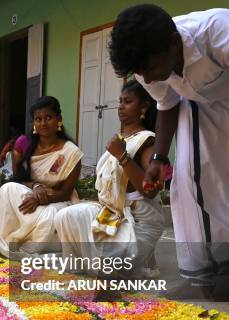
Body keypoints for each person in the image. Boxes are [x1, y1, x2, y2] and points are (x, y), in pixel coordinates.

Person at [109, 5, 229, 291]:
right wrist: (159, 157)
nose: (149, 80)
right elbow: (166, 104)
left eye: (151, 70)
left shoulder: (224, 34)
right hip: (200, 103)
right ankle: (205, 270)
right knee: (189, 180)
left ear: (175, 44)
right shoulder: (147, 66)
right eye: (142, 73)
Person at [54, 80, 165, 277]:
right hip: (112, 213)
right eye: (120, 101)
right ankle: (77, 265)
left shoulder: (148, 140)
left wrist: (123, 157)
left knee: (112, 268)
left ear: (144, 107)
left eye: (128, 101)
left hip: (138, 221)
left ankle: (134, 258)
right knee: (66, 216)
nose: (120, 106)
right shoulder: (120, 139)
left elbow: (150, 190)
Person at [0, 97, 83, 257]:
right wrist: (35, 187)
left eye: (48, 118)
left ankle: (23, 244)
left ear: (58, 119)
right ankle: (6, 241)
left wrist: (41, 198)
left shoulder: (71, 152)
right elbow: (19, 180)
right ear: (33, 123)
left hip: (57, 200)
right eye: (38, 119)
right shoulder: (26, 145)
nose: (43, 123)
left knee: (47, 224)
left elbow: (65, 193)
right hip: (29, 194)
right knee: (7, 189)